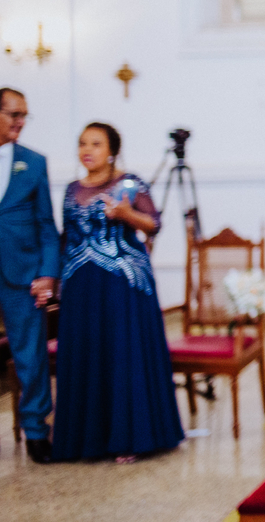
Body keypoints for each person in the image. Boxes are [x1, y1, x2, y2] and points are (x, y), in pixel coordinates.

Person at [52, 122, 184, 462]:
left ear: (112, 151)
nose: (87, 150)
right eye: (83, 143)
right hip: (81, 286)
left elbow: (154, 224)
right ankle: (86, 440)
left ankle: (130, 437)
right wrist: (54, 280)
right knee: (87, 354)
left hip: (122, 285)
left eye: (96, 144)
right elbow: (67, 237)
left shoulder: (130, 183)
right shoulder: (71, 189)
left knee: (121, 355)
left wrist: (127, 214)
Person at [0, 87, 59, 463]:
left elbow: (47, 226)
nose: (21, 121)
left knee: (31, 355)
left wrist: (48, 274)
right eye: (14, 114)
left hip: (22, 274)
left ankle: (36, 430)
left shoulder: (34, 163)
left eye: (25, 115)